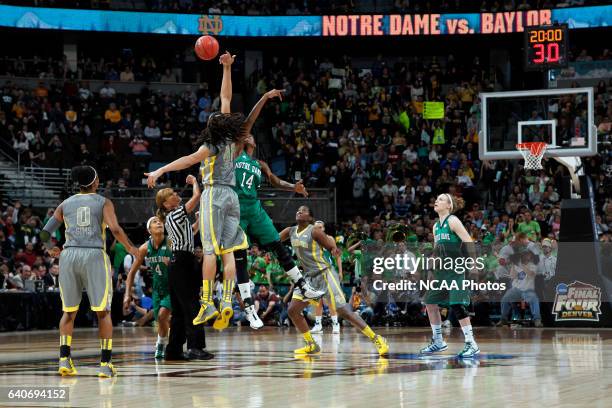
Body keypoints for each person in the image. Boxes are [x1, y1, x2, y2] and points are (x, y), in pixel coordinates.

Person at [145, 51, 259, 331]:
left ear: (212, 128)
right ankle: (229, 302)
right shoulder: (234, 139)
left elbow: (186, 161)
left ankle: (208, 301)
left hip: (214, 195)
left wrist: (160, 171)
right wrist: (228, 69)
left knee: (209, 251)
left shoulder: (210, 146)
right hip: (233, 197)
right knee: (229, 252)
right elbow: (227, 98)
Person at [234, 92, 325, 328]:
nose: (251, 136)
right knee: (240, 257)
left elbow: (274, 181)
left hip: (254, 208)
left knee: (277, 244)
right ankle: (248, 307)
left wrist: (292, 187)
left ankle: (303, 286)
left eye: (252, 136)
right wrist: (264, 98)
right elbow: (249, 122)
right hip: (235, 210)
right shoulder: (235, 154)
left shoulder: (259, 164)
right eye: (248, 135)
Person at [40, 165, 138, 378]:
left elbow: (45, 233)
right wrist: (132, 249)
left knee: (68, 312)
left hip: (69, 255)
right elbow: (115, 229)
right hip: (93, 255)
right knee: (102, 312)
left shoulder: (65, 204)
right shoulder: (104, 202)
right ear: (95, 182)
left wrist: (51, 250)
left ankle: (64, 360)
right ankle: (105, 364)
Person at [280, 206, 389, 357]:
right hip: (307, 277)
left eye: (304, 210)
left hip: (324, 274)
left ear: (310, 218)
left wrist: (334, 250)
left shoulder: (314, 231)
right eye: (298, 209)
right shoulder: (290, 231)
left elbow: (331, 247)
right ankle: (311, 344)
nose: (299, 211)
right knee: (292, 310)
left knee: (344, 311)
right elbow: (273, 240)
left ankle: (377, 339)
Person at [154, 176, 213, 360]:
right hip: (182, 261)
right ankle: (195, 347)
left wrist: (198, 221)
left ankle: (174, 349)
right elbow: (197, 197)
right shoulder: (176, 213)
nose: (176, 194)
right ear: (165, 204)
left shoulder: (173, 218)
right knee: (192, 305)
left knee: (179, 309)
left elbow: (192, 231)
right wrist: (195, 181)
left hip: (178, 261)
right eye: (171, 194)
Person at [420, 194, 480, 358]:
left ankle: (471, 343)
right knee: (430, 303)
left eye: (440, 199)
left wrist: (474, 264)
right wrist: (431, 270)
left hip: (456, 270)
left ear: (449, 205)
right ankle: (438, 341)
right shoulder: (435, 226)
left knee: (457, 305)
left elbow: (468, 241)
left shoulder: (452, 220)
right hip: (441, 272)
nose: (436, 201)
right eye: (436, 198)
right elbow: (437, 250)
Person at [124, 217, 172, 359]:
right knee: (160, 319)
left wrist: (172, 263)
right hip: (157, 288)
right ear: (149, 230)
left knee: (164, 315)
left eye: (160, 222)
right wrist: (127, 294)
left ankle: (164, 342)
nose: (159, 223)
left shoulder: (171, 243)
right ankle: (162, 341)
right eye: (155, 222)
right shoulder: (145, 248)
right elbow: (131, 273)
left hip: (172, 287)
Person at [311, 220, 342, 334]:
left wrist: (340, 271)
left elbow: (337, 256)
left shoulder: (329, 239)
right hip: (316, 272)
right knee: (317, 299)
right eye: (316, 227)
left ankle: (335, 324)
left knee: (330, 299)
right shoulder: (312, 241)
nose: (318, 229)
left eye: (320, 227)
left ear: (324, 228)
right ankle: (318, 325)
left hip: (328, 271)